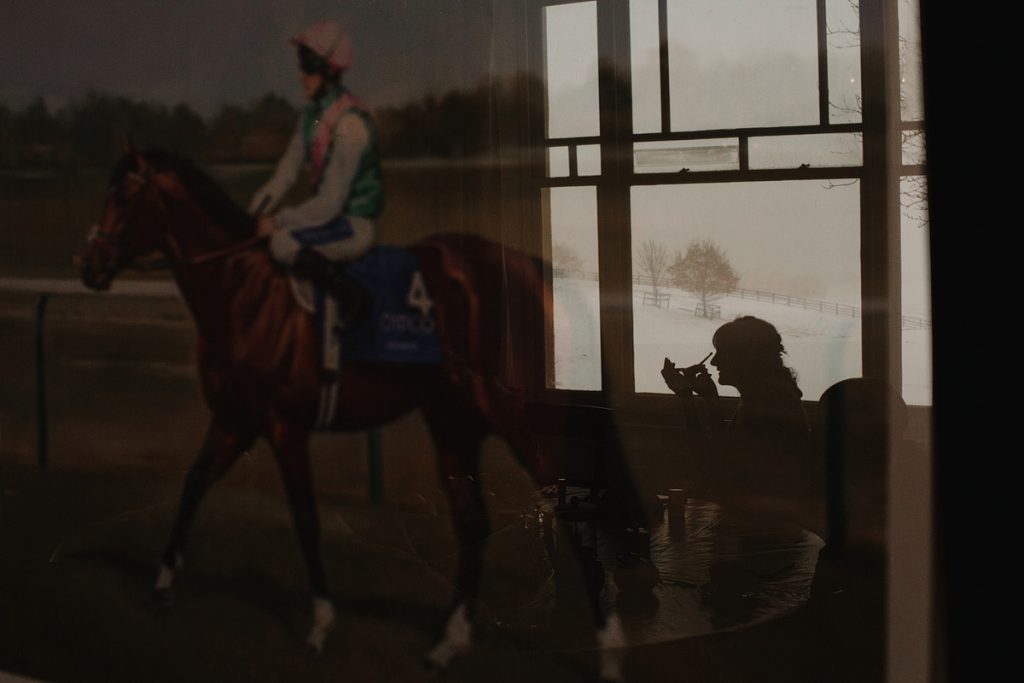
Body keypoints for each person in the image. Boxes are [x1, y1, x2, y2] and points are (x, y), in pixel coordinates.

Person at [249, 19, 384, 328]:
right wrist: (254, 213)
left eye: (308, 67)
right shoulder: (313, 119)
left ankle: (352, 297)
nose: (301, 76)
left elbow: (330, 203)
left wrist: (278, 220)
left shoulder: (351, 125)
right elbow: (287, 170)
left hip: (352, 225)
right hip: (330, 221)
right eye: (301, 65)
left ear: (330, 71)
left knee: (282, 243)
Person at [661, 315, 808, 436]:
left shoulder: (767, 407)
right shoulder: (767, 395)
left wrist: (686, 398)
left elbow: (716, 462)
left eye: (723, 353)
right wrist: (710, 398)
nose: (713, 361)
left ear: (748, 357)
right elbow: (728, 448)